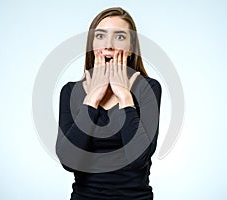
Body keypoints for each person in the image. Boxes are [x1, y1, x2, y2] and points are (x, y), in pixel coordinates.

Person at [56, 7, 162, 200]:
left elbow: (139, 158)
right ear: (92, 45)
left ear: (131, 49)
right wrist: (92, 100)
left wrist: (124, 97)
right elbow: (68, 161)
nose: (109, 45)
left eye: (120, 37)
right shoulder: (71, 92)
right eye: (101, 36)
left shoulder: (148, 88)